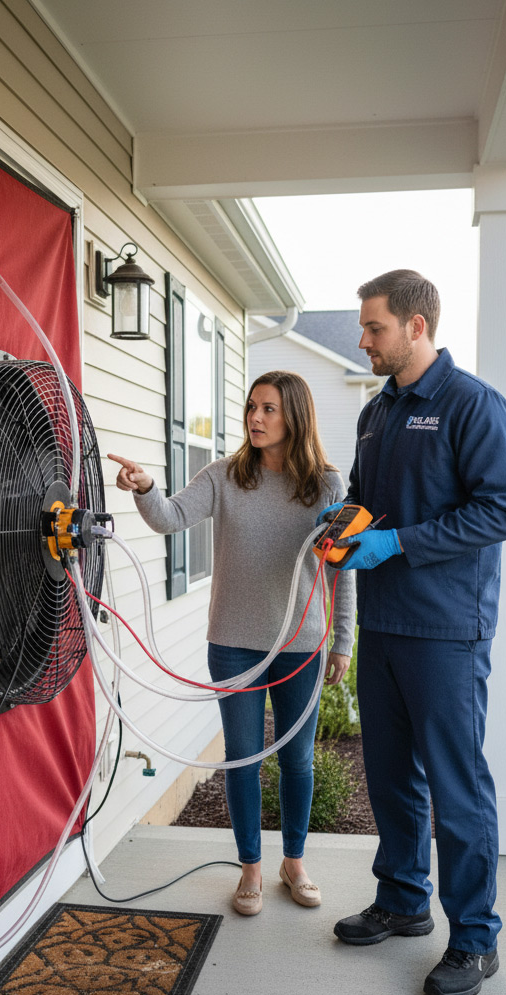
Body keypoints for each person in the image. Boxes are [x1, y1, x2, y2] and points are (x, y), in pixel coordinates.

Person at [325, 269, 506, 995]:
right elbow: (362, 497)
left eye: (374, 327)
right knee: (389, 774)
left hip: (445, 629)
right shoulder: (377, 412)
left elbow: (502, 511)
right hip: (381, 623)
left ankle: (475, 941)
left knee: (456, 787)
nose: (364, 339)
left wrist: (399, 543)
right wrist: (346, 525)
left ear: (416, 326)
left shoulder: (473, 406)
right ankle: (404, 898)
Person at [108, 369, 356, 917]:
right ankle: (250, 867)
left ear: (294, 416)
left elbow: (343, 569)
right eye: (251, 407)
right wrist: (147, 487)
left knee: (298, 759)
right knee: (242, 758)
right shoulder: (224, 476)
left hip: (302, 644)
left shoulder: (328, 486)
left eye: (268, 409)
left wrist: (343, 638)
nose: (255, 418)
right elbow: (170, 518)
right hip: (234, 644)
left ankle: (294, 862)